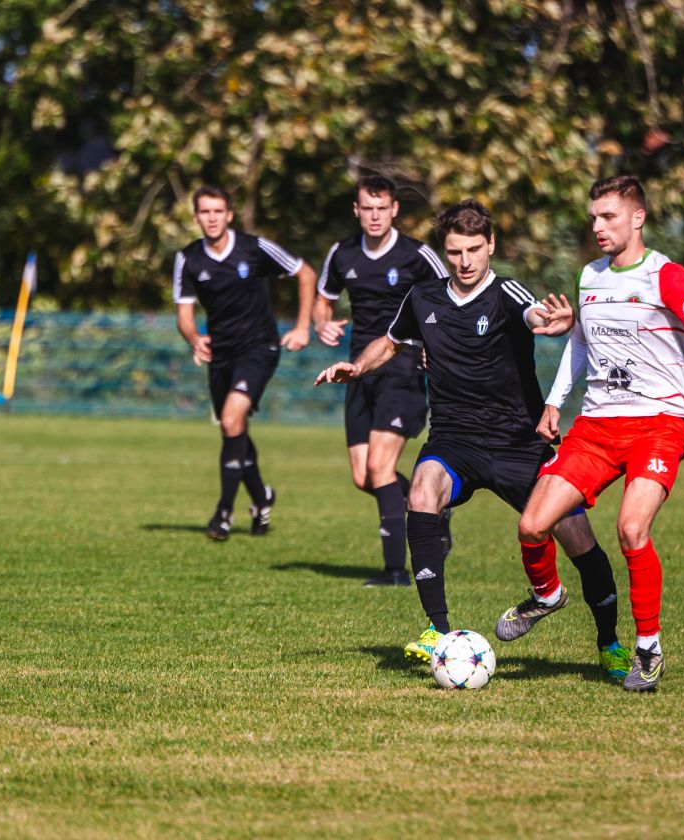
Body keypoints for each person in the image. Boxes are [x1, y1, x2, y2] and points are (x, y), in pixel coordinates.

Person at [315, 200, 630, 677]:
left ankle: (609, 644)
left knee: (578, 538)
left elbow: (534, 316)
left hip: (517, 444)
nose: (464, 262)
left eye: (474, 250)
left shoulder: (506, 292)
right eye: (455, 251)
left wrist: (553, 324)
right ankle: (438, 632)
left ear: (491, 246)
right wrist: (357, 366)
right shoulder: (423, 297)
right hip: (454, 440)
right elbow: (392, 340)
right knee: (421, 492)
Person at [503, 176, 684, 692]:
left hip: (657, 426)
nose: (598, 226)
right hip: (596, 426)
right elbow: (581, 343)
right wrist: (554, 399)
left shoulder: (666, 276)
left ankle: (648, 649)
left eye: (608, 216)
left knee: (632, 530)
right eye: (593, 217)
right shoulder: (590, 275)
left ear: (638, 217)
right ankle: (546, 595)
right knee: (532, 525)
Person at [313, 174, 448, 587]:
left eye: (381, 208)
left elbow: (447, 297)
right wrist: (322, 324)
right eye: (366, 209)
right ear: (357, 211)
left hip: (403, 370)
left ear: (394, 210)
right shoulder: (342, 253)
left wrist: (434, 341)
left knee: (380, 467)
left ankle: (395, 571)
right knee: (364, 477)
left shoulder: (417, 256)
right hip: (359, 370)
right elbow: (324, 300)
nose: (374, 216)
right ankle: (434, 511)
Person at [174, 185, 316, 539]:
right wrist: (194, 338)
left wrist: (301, 327)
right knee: (232, 428)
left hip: (259, 348)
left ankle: (223, 513)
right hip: (220, 354)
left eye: (217, 211)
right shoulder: (189, 258)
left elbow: (306, 273)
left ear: (229, 215)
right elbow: (185, 315)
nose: (211, 218)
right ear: (195, 217)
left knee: (232, 418)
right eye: (204, 212)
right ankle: (261, 497)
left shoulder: (254, 248)